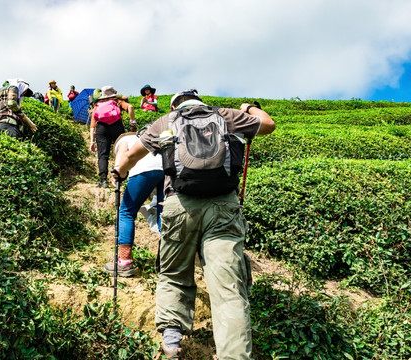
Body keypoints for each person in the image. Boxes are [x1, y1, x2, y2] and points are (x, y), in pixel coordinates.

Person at [110, 89, 275, 359]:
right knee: (229, 288)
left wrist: (118, 171)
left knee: (174, 272)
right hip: (223, 207)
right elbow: (268, 124)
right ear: (200, 101)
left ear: (176, 105)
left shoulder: (164, 122)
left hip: (179, 204)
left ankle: (172, 340)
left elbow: (131, 157)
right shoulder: (226, 116)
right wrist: (249, 107)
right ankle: (234, 355)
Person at [103, 130, 164, 277]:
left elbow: (122, 157)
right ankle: (164, 262)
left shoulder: (123, 141)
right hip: (166, 169)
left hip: (144, 170)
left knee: (127, 212)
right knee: (164, 213)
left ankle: (125, 262)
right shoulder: (147, 138)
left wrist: (118, 172)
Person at [89, 85, 137, 188]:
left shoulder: (97, 105)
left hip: (101, 129)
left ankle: (103, 181)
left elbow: (92, 127)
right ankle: (120, 178)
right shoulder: (117, 102)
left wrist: (92, 142)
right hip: (117, 126)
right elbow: (130, 107)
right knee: (122, 152)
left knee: (102, 155)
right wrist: (132, 122)